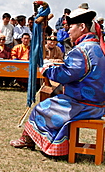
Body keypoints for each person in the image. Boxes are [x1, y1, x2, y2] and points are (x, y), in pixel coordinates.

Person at [10, 8, 105, 157]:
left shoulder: (81, 50)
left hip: (83, 104)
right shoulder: (97, 47)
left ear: (82, 27)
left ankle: (44, 144)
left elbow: (65, 75)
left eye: (71, 27)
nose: (68, 31)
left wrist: (47, 68)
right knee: (54, 100)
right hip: (98, 104)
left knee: (41, 108)